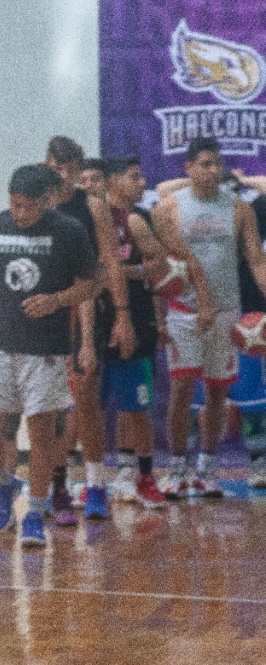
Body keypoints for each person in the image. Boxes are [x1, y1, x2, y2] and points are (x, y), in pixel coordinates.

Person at [0, 165, 100, 548]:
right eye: (14, 205)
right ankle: (5, 486)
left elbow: (93, 283)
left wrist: (57, 300)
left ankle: (36, 511)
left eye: (28, 207)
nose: (20, 214)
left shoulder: (69, 231)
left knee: (41, 433)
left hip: (45, 349)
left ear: (47, 200)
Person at [152, 137, 266, 498]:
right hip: (184, 311)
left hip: (226, 310)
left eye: (217, 164)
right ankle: (176, 467)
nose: (213, 170)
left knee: (218, 390)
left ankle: (205, 468)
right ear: (188, 168)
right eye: (204, 164)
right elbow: (158, 269)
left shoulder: (238, 210)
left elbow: (257, 261)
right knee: (183, 388)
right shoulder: (169, 208)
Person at [44, 136, 135, 525]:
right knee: (47, 407)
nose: (64, 174)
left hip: (85, 309)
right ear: (47, 166)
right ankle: (56, 487)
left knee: (85, 399)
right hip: (44, 313)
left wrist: (122, 314)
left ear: (80, 169)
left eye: (71, 167)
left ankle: (96, 484)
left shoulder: (93, 207)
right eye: (57, 167)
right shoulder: (36, 204)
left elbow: (110, 265)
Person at [96, 155, 169, 508]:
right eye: (133, 177)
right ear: (112, 181)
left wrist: (128, 272)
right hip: (95, 319)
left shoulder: (137, 220)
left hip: (135, 320)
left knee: (136, 405)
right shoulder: (89, 220)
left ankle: (143, 475)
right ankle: (85, 481)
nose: (142, 183)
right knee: (84, 406)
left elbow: (160, 263)